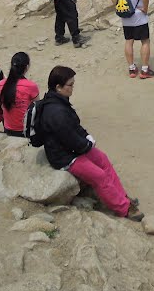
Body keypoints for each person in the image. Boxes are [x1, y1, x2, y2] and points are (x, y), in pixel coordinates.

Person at [37, 65, 144, 221]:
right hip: (64, 156)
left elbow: (74, 127)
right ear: (58, 87)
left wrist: (86, 136)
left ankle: (123, 197)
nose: (72, 88)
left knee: (103, 159)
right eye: (70, 85)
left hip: (72, 149)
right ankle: (123, 208)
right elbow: (69, 139)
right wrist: (86, 145)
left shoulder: (58, 101)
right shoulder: (56, 112)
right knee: (99, 175)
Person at [108, 0, 154, 79]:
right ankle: (144, 70)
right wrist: (145, 8)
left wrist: (118, 6)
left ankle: (132, 68)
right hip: (139, 17)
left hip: (126, 17)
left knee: (129, 41)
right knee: (145, 41)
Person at [0, 52, 39, 137]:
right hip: (26, 129)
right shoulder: (31, 86)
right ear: (26, 67)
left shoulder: (1, 84)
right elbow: (37, 106)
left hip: (8, 128)